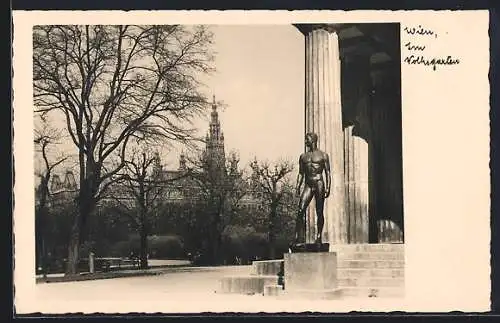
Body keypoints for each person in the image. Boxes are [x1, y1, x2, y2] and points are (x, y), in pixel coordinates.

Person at [294, 132, 331, 245]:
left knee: (319, 211)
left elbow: (327, 172)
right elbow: (301, 173)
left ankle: (319, 236)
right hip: (308, 184)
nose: (305, 141)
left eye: (307, 139)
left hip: (319, 183)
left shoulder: (323, 155)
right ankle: (298, 237)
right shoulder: (303, 156)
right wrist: (297, 186)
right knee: (300, 210)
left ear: (313, 140)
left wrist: (328, 187)